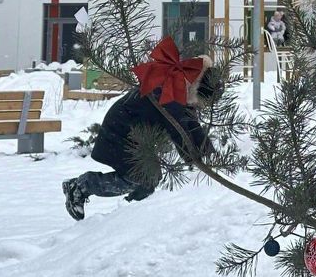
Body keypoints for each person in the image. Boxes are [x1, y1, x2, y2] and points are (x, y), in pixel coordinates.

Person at [62, 57, 224, 221]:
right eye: (201, 101)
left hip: (135, 135)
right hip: (121, 131)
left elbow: (192, 125)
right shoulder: (171, 91)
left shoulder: (181, 86)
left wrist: (209, 156)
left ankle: (129, 212)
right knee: (140, 178)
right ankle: (81, 186)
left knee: (150, 179)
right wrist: (196, 161)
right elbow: (178, 130)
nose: (199, 105)